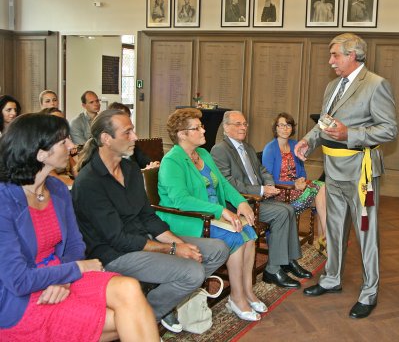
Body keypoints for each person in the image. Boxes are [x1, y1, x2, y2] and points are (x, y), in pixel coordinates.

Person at [0, 113, 159, 342]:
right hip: (23, 298)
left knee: (129, 288)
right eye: (63, 142)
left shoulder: (56, 188)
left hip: (61, 275)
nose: (72, 146)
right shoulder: (5, 201)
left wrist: (64, 277)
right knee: (131, 319)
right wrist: (75, 269)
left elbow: (75, 244)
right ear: (41, 153)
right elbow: (18, 280)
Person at [71, 109, 229, 333]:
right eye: (127, 132)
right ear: (106, 139)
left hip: (143, 240)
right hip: (115, 254)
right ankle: (144, 318)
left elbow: (147, 216)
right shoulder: (89, 182)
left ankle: (164, 301)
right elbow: (118, 239)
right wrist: (172, 249)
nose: (135, 137)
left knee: (218, 249)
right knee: (192, 272)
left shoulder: (130, 168)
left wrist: (179, 245)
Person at [295, 33, 397, 319]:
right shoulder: (332, 86)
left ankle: (369, 292)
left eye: (335, 56)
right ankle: (331, 279)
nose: (330, 62)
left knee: (366, 231)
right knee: (335, 227)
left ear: (352, 55)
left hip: (361, 171)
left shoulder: (376, 85)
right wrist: (308, 140)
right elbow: (325, 124)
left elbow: (389, 130)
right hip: (333, 169)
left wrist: (349, 134)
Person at [158, 108, 266, 322]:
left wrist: (241, 202)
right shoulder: (172, 161)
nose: (203, 129)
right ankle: (236, 298)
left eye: (201, 125)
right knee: (236, 237)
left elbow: (223, 185)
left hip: (213, 215)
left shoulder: (204, 154)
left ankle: (247, 291)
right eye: (196, 127)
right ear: (182, 134)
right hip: (189, 219)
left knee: (249, 234)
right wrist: (221, 210)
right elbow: (181, 201)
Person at [211, 111, 313, 290]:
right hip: (240, 204)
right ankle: (272, 270)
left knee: (287, 209)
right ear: (226, 128)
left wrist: (268, 185)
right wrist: (259, 190)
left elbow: (263, 169)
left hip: (259, 199)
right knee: (282, 212)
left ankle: (288, 260)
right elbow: (229, 183)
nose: (243, 127)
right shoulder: (220, 150)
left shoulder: (247, 147)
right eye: (238, 124)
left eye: (245, 124)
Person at [262, 112, 327, 254]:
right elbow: (268, 179)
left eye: (288, 125)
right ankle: (325, 238)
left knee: (323, 190)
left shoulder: (294, 145)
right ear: (276, 128)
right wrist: (293, 184)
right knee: (321, 195)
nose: (285, 128)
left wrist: (301, 179)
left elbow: (302, 170)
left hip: (297, 189)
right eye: (282, 125)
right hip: (280, 193)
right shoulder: (270, 149)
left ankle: (324, 238)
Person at [107, 102, 160, 169]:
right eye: (127, 132)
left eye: (128, 116)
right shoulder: (105, 157)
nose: (135, 138)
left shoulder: (133, 146)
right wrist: (143, 172)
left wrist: (153, 165)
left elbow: (147, 162)